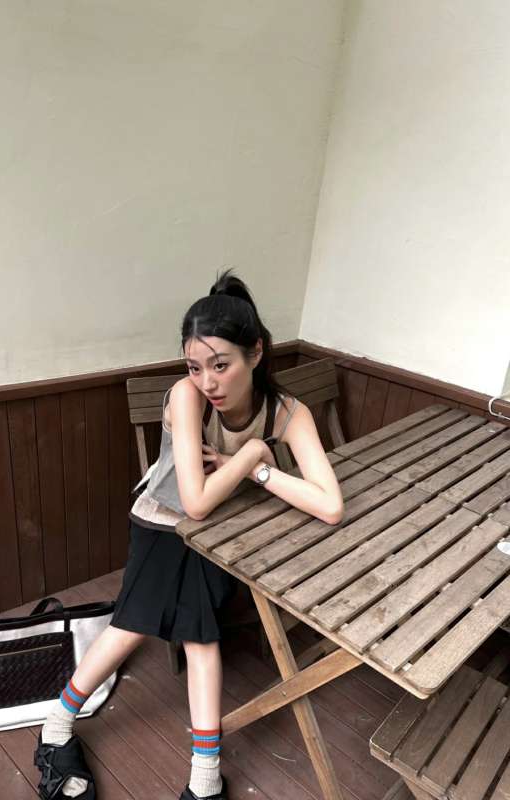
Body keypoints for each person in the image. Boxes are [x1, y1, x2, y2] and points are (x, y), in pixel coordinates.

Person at [33, 269, 344, 800]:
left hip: (219, 534)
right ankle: (55, 728)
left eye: (221, 365)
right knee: (134, 627)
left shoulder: (288, 411)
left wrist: (257, 469)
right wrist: (253, 454)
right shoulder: (186, 395)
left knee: (199, 637)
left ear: (256, 353)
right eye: (195, 366)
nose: (208, 382)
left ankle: (203, 779)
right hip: (162, 522)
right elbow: (193, 500)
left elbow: (331, 506)